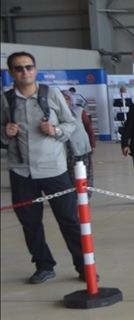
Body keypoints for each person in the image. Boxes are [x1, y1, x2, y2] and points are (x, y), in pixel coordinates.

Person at [1, 52, 85, 284]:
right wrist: (5, 133)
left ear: (35, 70)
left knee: (69, 219)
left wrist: (56, 131)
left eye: (29, 67)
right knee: (30, 223)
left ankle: (83, 265)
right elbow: (1, 129)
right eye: (19, 68)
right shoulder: (6, 99)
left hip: (54, 169)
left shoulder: (52, 94)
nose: (24, 71)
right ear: (11, 73)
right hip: (21, 171)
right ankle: (43, 265)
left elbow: (71, 123)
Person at [61, 89, 96, 198]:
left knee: (85, 173)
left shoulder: (79, 111)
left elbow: (89, 128)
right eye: (62, 99)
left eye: (66, 98)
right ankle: (73, 196)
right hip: (65, 150)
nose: (64, 101)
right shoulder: (56, 113)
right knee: (70, 175)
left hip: (82, 148)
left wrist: (93, 144)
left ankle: (86, 195)